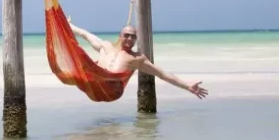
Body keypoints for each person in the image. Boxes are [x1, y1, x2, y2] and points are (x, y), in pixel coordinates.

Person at [67, 18, 208, 99]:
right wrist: (68, 25)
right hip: (94, 83)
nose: (129, 38)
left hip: (111, 91)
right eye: (126, 35)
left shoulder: (137, 59)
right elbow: (85, 34)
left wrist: (187, 85)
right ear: (120, 36)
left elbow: (162, 74)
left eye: (133, 36)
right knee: (78, 55)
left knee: (86, 62)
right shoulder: (105, 46)